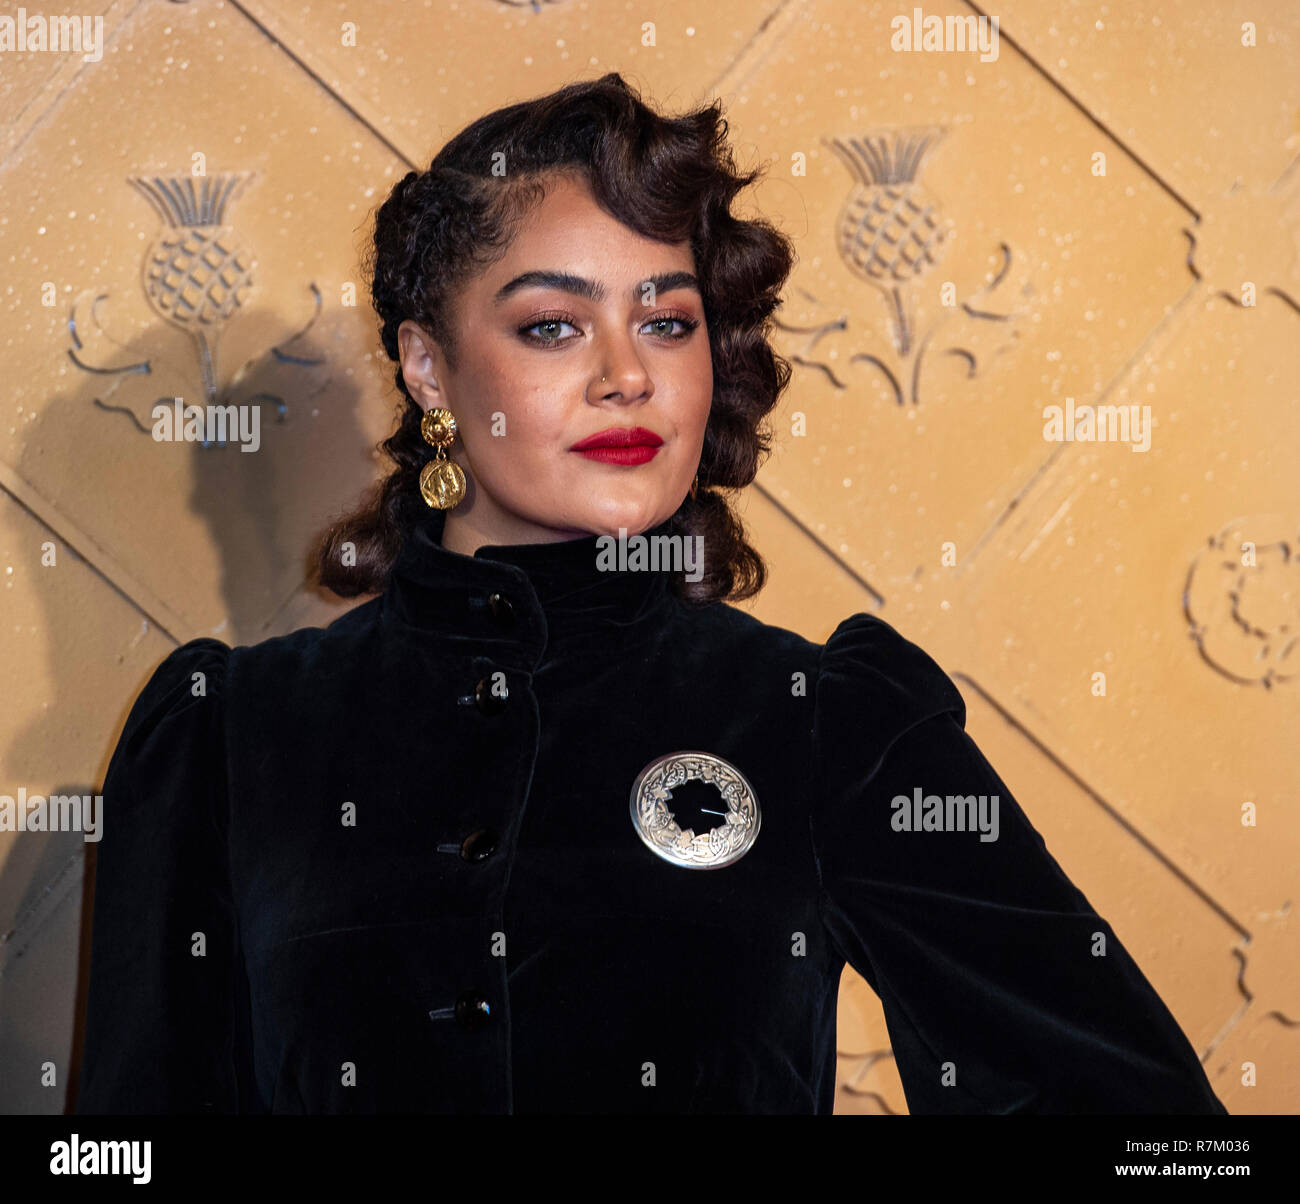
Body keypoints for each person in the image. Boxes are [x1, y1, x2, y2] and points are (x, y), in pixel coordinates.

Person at [75, 73, 1227, 1115]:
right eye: (553, 325)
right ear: (429, 366)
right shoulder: (225, 736)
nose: (627, 375)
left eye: (667, 322)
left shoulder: (820, 717)